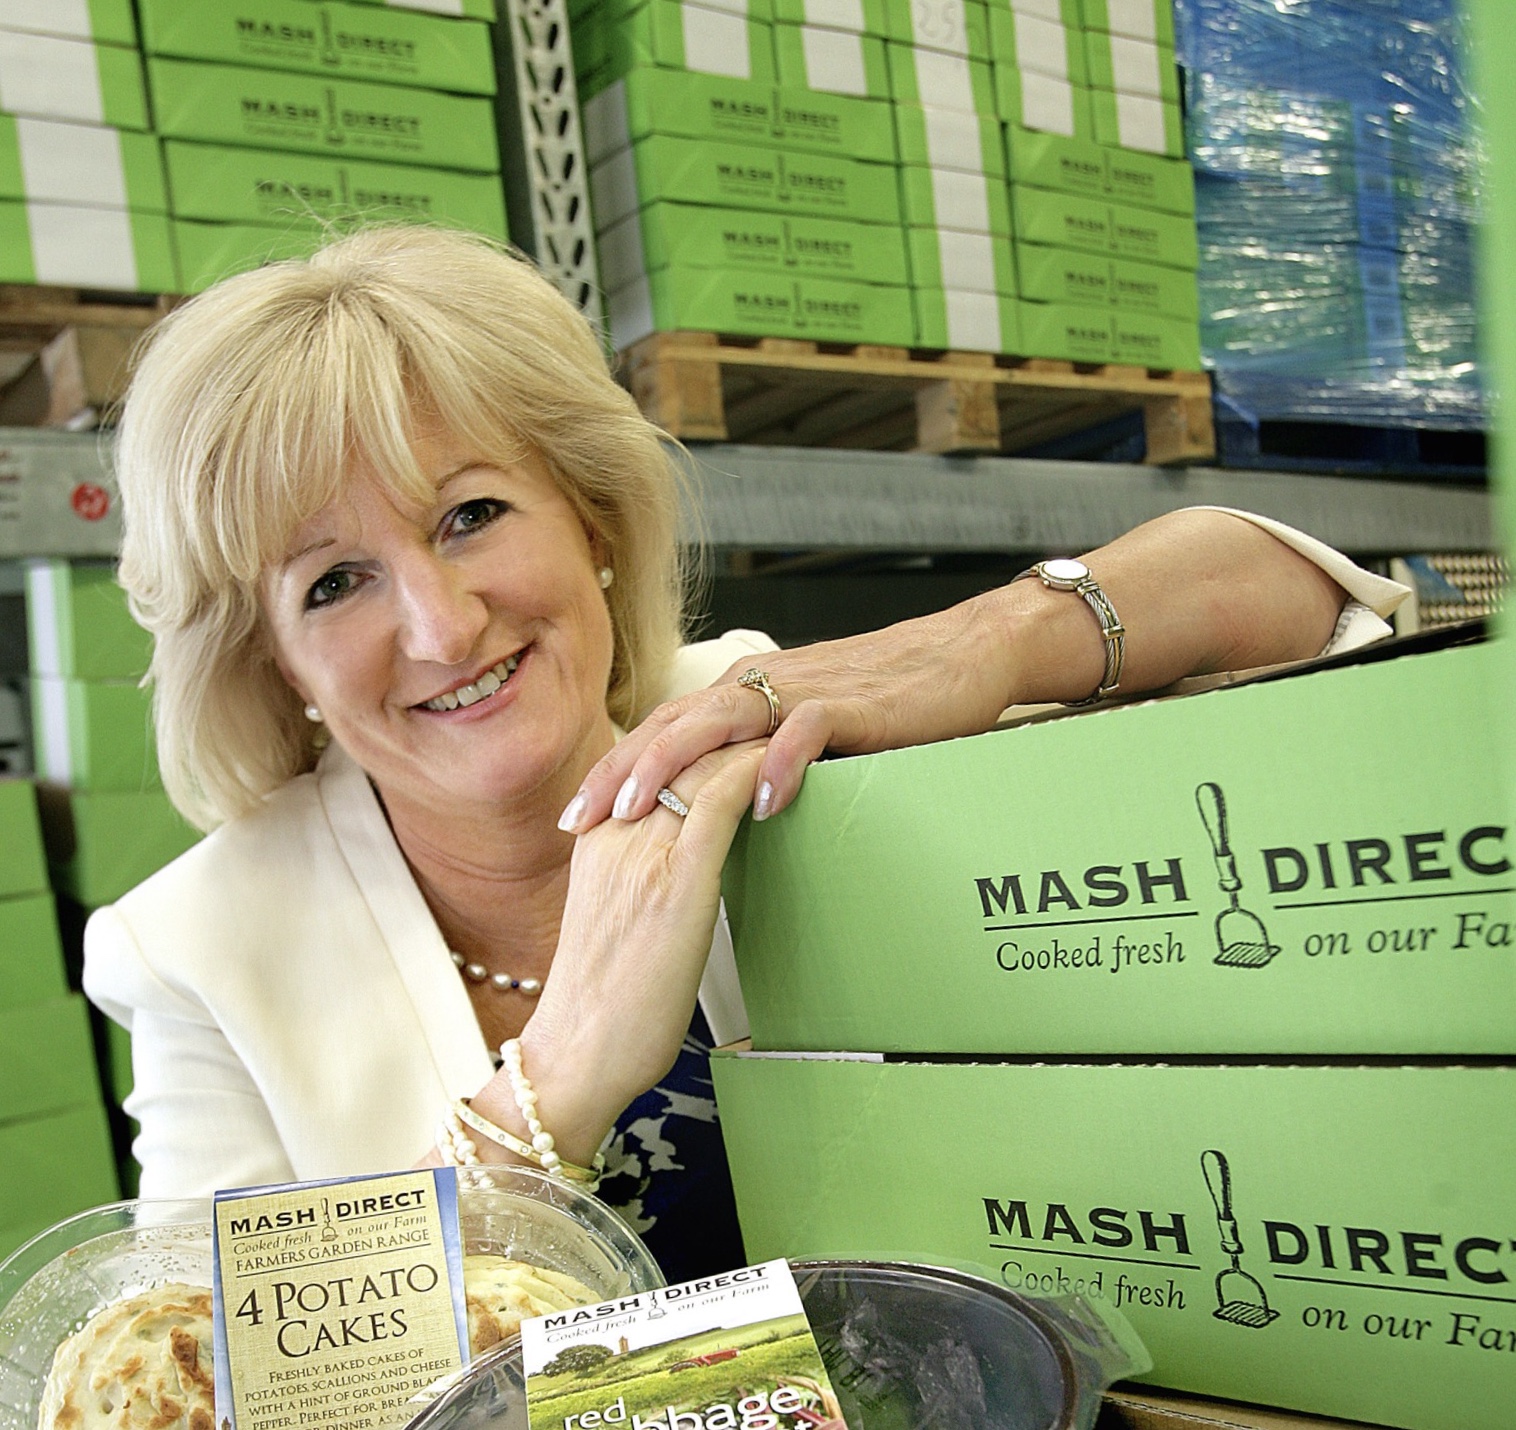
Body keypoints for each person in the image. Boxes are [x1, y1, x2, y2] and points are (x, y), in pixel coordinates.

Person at [83, 225, 1407, 1281]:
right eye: (333, 583)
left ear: (593, 519)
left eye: (471, 514)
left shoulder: (760, 720)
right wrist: (556, 1083)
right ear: (274, 661)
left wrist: (994, 641)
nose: (439, 624)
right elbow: (207, 1387)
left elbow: (1312, 617)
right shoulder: (201, 952)